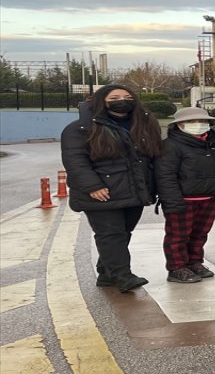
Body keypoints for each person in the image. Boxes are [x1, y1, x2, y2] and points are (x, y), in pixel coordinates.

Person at [61, 84, 163, 292]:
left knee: (124, 231)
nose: (122, 100)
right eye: (114, 97)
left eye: (127, 96)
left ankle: (106, 273)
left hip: (134, 189)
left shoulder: (143, 123)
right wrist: (92, 186)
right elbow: (75, 160)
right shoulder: (81, 128)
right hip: (101, 191)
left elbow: (151, 155)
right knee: (110, 233)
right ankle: (123, 276)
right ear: (101, 101)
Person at [155, 107, 215, 283]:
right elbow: (165, 176)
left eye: (202, 121)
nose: (198, 125)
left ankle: (194, 261)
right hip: (183, 199)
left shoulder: (213, 142)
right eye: (191, 122)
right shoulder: (170, 146)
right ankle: (177, 267)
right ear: (179, 124)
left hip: (210, 197)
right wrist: (171, 201)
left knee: (200, 233)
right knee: (178, 236)